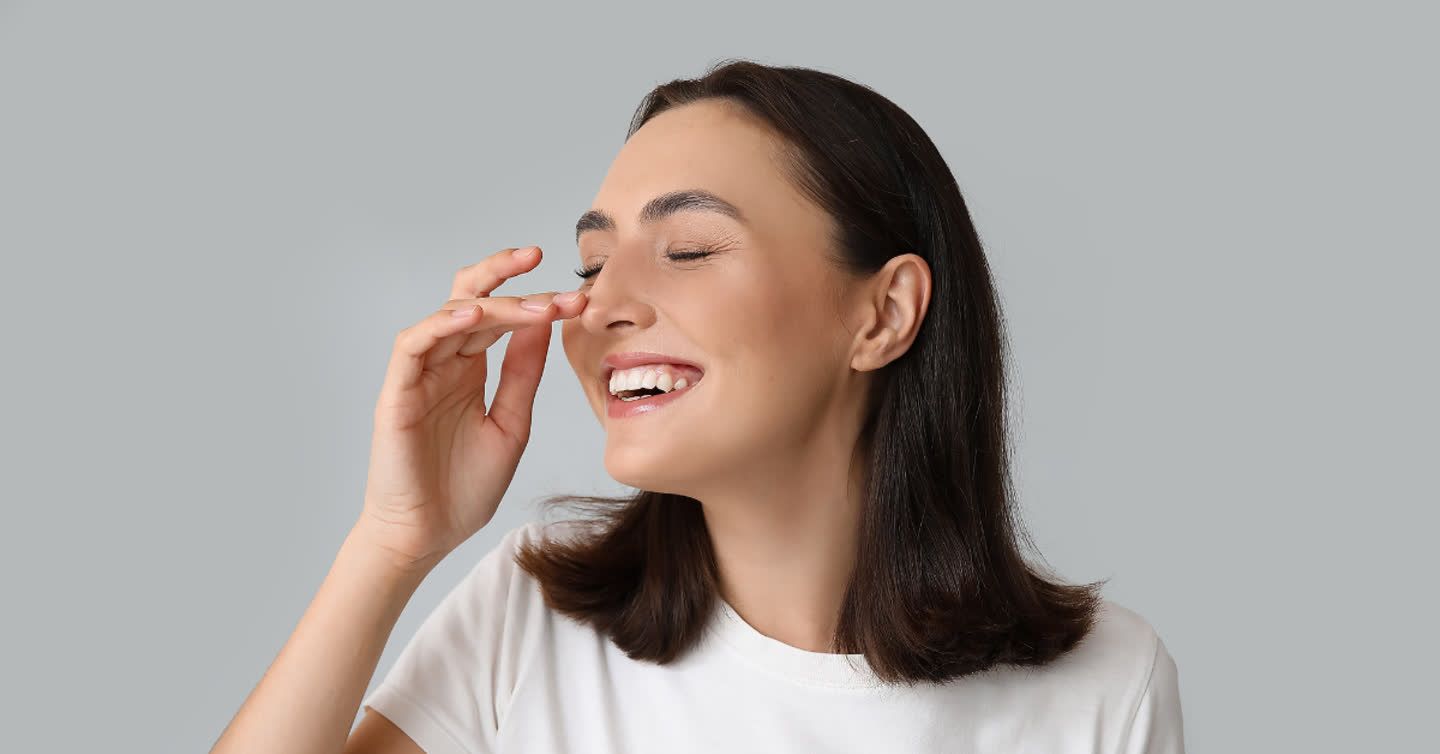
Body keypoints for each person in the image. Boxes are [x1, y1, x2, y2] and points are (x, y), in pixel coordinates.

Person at [211, 59, 1185, 754]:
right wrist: (393, 541)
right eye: (593, 263)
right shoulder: (536, 615)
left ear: (883, 314)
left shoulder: (1103, 685)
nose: (603, 306)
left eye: (688, 250)